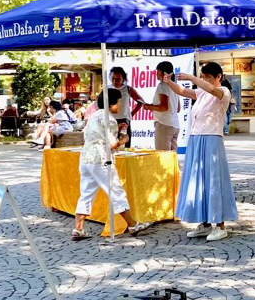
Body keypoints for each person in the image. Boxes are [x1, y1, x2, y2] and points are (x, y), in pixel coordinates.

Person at [163, 62, 237, 241]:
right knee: (198, 182)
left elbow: (212, 90)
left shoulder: (223, 92)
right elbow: (182, 91)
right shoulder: (201, 92)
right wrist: (168, 82)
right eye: (203, 77)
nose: (205, 80)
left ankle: (220, 225)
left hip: (212, 139)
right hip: (196, 139)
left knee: (213, 181)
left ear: (219, 77)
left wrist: (192, 77)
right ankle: (205, 223)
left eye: (208, 77)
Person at [72, 88, 151, 240]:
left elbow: (99, 133)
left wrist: (118, 131)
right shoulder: (110, 119)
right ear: (111, 103)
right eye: (119, 102)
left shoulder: (94, 115)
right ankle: (132, 224)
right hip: (101, 159)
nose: (120, 105)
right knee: (116, 191)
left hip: (86, 157)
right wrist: (124, 138)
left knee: (86, 193)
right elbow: (113, 145)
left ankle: (78, 228)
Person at [138, 61, 180, 151]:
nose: (156, 74)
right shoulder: (174, 85)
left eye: (157, 72)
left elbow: (164, 107)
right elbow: (178, 108)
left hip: (164, 124)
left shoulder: (163, 85)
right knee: (172, 156)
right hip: (174, 124)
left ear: (160, 72)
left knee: (163, 156)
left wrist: (148, 107)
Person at [110, 66, 144, 148]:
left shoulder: (128, 89)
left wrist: (132, 113)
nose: (115, 81)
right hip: (110, 119)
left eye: (118, 79)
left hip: (124, 119)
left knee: (124, 145)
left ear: (123, 79)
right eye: (113, 78)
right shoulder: (107, 88)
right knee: (111, 143)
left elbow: (141, 101)